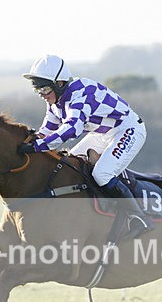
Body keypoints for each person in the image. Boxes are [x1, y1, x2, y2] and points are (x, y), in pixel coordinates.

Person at [18, 54, 154, 238]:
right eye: (38, 91)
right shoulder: (55, 101)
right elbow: (47, 130)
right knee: (68, 167)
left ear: (60, 83)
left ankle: (138, 218)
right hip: (101, 133)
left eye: (45, 89)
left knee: (102, 173)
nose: (42, 95)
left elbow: (71, 129)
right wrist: (27, 142)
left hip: (128, 130)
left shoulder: (80, 92)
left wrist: (37, 147)